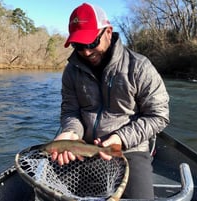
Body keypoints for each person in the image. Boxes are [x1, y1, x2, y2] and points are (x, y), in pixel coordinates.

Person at [52, 3, 170, 199]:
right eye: (78, 46)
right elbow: (70, 111)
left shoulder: (139, 67)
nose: (86, 52)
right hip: (84, 148)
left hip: (131, 150)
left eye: (91, 43)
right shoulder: (71, 72)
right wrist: (70, 132)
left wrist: (121, 139)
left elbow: (159, 116)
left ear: (108, 31)